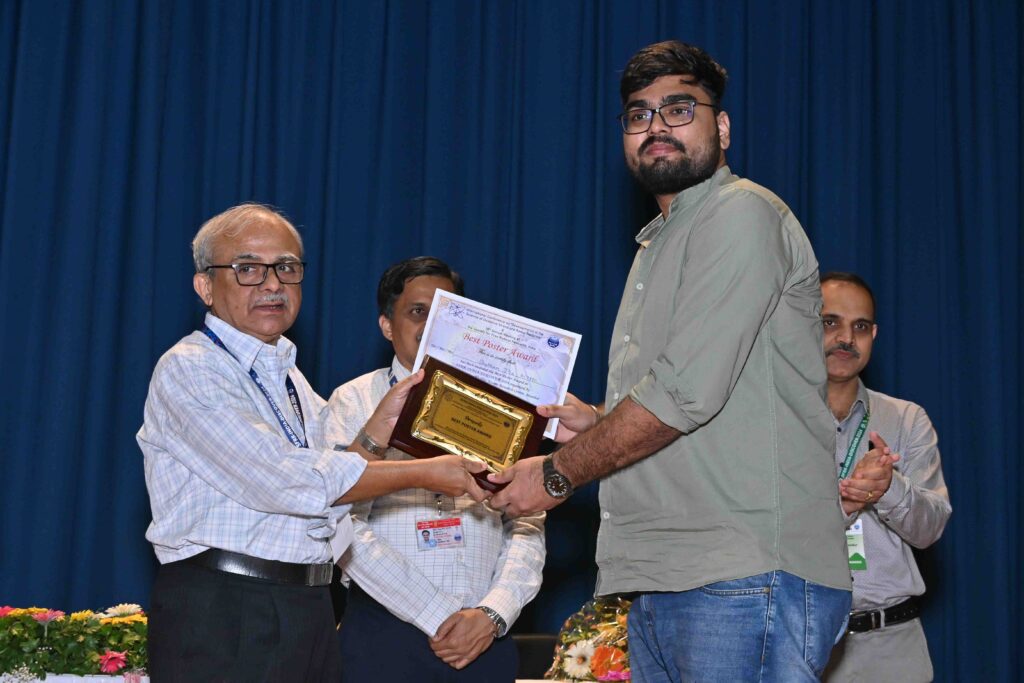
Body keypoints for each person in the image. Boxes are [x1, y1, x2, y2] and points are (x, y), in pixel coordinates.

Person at [490, 40, 851, 680]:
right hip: (667, 577)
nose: (656, 126)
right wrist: (600, 422)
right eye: (638, 114)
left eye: (679, 109)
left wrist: (554, 475)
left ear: (723, 127)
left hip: (743, 572)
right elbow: (699, 397)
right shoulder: (660, 242)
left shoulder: (740, 214)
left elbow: (682, 395)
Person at [138, 205, 487, 682]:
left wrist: (376, 431)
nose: (272, 284)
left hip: (306, 606)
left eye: (286, 267)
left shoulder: (289, 377)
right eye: (248, 269)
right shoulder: (192, 367)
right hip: (229, 609)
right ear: (205, 286)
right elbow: (283, 481)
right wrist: (425, 472)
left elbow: (333, 489)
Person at [323, 256, 545, 683]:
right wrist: (437, 613)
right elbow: (340, 520)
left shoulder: (505, 408)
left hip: (485, 640)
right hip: (385, 636)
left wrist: (494, 612)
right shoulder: (353, 401)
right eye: (418, 311)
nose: (432, 325)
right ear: (387, 325)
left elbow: (528, 520)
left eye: (448, 313)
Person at [819, 272, 951, 682]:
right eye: (830, 322)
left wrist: (889, 488)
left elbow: (931, 529)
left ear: (873, 335)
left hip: (892, 645)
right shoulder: (770, 419)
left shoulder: (906, 419)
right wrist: (843, 505)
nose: (846, 338)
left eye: (860, 327)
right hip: (801, 640)